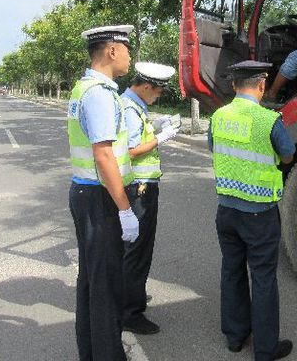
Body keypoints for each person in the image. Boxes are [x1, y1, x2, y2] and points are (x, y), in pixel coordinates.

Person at [208, 60, 296, 361]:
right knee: (262, 277)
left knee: (231, 270)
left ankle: (235, 338)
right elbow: (287, 155)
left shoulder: (218, 117)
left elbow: (214, 149)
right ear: (262, 85)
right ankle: (265, 350)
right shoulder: (269, 120)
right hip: (259, 214)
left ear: (234, 86)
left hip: (226, 210)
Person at [67, 25, 138, 361]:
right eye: (127, 49)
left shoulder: (87, 87)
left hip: (87, 193)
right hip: (100, 198)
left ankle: (92, 352)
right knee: (106, 283)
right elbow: (103, 154)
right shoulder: (98, 93)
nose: (130, 56)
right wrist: (124, 209)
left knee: (91, 279)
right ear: (112, 51)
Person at [120, 62, 178, 335]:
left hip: (137, 186)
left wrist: (153, 127)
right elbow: (130, 151)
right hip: (140, 189)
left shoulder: (132, 104)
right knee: (137, 251)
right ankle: (130, 312)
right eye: (157, 93)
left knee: (134, 249)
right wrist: (161, 138)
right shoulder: (131, 108)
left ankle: (131, 298)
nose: (158, 97)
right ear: (145, 86)